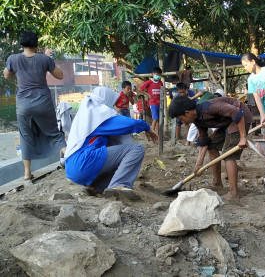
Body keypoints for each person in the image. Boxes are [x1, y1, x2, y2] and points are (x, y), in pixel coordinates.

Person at [64, 87, 158, 200]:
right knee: (137, 149)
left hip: (73, 167)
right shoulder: (98, 117)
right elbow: (129, 124)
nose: (114, 107)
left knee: (119, 160)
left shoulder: (85, 117)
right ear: (105, 102)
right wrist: (146, 127)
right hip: (85, 161)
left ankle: (97, 187)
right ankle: (118, 186)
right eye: (112, 103)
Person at [2, 31, 67, 180]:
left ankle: (27, 173)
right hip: (43, 102)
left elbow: (7, 75)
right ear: (37, 44)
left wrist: (16, 68)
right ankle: (72, 161)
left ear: (21, 44)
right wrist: (48, 60)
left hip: (23, 104)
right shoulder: (44, 59)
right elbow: (60, 75)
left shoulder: (14, 59)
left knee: (25, 135)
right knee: (54, 133)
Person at [169, 95, 253, 201]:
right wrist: (198, 164)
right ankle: (217, 183)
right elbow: (204, 142)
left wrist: (243, 138)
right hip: (226, 122)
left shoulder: (210, 107)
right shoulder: (197, 119)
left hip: (241, 118)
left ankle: (233, 193)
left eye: (181, 119)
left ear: (187, 112)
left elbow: (237, 113)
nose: (183, 122)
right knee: (212, 146)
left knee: (229, 154)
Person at [140, 67, 163, 133]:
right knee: (155, 119)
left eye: (159, 75)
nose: (158, 76)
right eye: (156, 74)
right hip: (153, 103)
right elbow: (140, 89)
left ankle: (157, 133)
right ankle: (152, 132)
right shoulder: (149, 82)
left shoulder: (160, 83)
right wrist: (147, 94)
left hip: (160, 103)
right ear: (152, 74)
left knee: (159, 119)